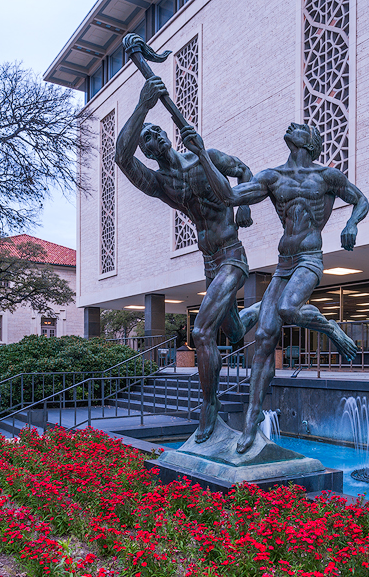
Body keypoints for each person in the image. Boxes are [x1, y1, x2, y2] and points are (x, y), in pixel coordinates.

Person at [180, 120, 369, 453]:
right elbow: (230, 195)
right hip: (283, 265)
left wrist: (351, 223)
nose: (293, 125)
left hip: (309, 258)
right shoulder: (272, 177)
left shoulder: (327, 176)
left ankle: (331, 328)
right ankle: (251, 424)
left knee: (288, 308)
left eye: (302, 127)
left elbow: (360, 200)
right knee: (264, 338)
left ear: (311, 143)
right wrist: (202, 155)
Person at [115, 75, 260, 443]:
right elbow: (120, 157)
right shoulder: (160, 184)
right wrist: (143, 105)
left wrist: (241, 202)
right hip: (209, 261)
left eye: (156, 132)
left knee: (202, 331)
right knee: (236, 330)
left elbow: (243, 170)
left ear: (168, 134)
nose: (153, 138)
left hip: (231, 255)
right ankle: (263, 309)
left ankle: (208, 408)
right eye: (145, 138)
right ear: (145, 150)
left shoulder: (204, 156)